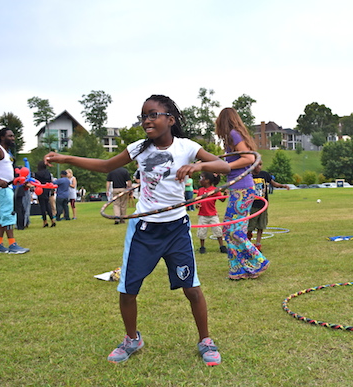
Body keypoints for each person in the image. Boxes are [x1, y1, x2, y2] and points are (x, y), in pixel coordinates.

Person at [44, 94, 230, 366]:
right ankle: (132, 339)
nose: (147, 121)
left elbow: (223, 166)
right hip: (144, 230)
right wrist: (66, 158)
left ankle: (205, 340)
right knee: (128, 290)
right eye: (144, 116)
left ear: (170, 119)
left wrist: (199, 165)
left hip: (176, 228)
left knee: (191, 288)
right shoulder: (139, 148)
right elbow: (106, 166)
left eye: (153, 115)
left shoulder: (186, 147)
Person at [215, 107, 270, 279]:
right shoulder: (231, 139)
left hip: (242, 189)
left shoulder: (234, 134)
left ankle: (258, 261)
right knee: (230, 230)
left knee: (234, 231)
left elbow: (249, 159)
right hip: (238, 188)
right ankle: (239, 269)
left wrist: (226, 166)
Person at [0, 128, 30, 254]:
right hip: (0, 188)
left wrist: (17, 180)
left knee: (3, 216)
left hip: (6, 187)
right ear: (2, 137)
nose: (13, 138)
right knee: (8, 214)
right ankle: (12, 244)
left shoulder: (6, 152)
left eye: (13, 136)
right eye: (10, 136)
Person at [247, 160, 290, 251]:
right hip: (252, 205)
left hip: (263, 205)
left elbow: (273, 183)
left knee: (261, 225)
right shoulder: (248, 176)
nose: (259, 167)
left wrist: (283, 186)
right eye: (257, 165)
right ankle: (247, 242)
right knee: (250, 226)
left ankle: (258, 244)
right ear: (252, 165)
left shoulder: (265, 175)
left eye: (260, 165)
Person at [195, 172, 227, 254]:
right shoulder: (200, 190)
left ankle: (222, 246)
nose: (200, 180)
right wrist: (197, 205)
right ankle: (202, 247)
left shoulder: (214, 190)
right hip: (202, 215)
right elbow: (197, 201)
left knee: (218, 230)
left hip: (213, 214)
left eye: (202, 178)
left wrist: (225, 194)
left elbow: (222, 199)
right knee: (202, 231)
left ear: (207, 180)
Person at [34, 160, 56, 227]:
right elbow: (50, 181)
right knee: (47, 204)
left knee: (42, 206)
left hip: (40, 189)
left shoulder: (37, 173)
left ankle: (45, 221)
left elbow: (36, 182)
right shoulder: (47, 172)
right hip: (47, 189)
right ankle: (52, 220)